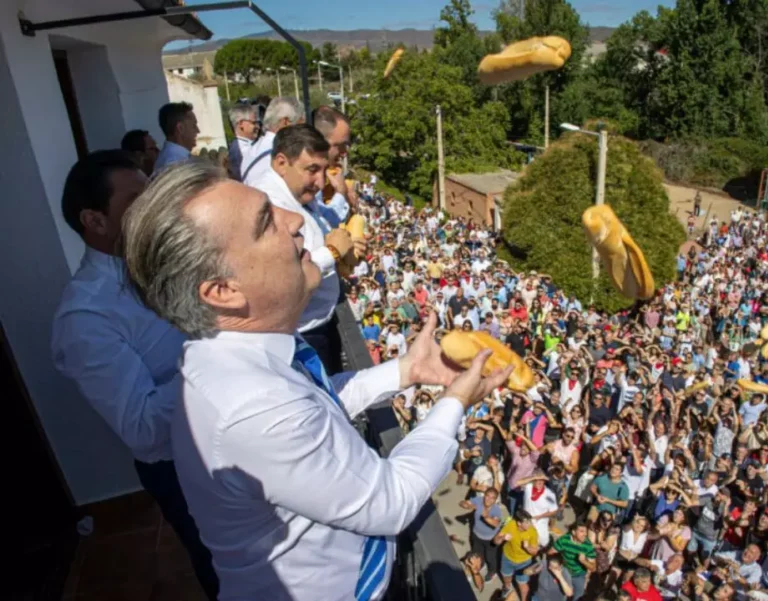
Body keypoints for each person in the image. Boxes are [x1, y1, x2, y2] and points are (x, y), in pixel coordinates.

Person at [121, 161, 513, 601]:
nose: (294, 221)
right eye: (266, 222)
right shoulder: (256, 405)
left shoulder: (233, 360)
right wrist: (455, 403)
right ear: (223, 291)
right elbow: (392, 500)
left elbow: (316, 407)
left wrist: (405, 372)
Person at [51, 151, 218, 598]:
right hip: (182, 464)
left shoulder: (160, 262)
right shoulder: (85, 316)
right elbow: (144, 429)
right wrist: (218, 359)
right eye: (138, 201)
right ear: (95, 220)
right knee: (224, 564)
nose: (155, 210)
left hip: (226, 432)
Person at [247, 123, 354, 373]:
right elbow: (281, 275)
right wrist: (333, 254)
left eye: (324, 170)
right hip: (301, 335)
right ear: (282, 163)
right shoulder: (266, 202)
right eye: (312, 170)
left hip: (316, 325)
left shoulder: (296, 191)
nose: (319, 182)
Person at [242, 96, 304, 183]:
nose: (303, 132)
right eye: (300, 126)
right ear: (285, 122)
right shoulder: (282, 156)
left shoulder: (251, 151)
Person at [311, 106, 356, 225]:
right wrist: (341, 193)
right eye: (340, 145)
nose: (344, 152)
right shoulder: (308, 177)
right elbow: (322, 224)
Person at [154, 101, 199, 171]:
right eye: (193, 126)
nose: (198, 131)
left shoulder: (176, 157)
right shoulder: (174, 162)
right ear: (180, 128)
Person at [226, 102, 259, 180]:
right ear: (241, 124)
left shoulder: (246, 145)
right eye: (253, 123)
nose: (257, 126)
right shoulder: (240, 150)